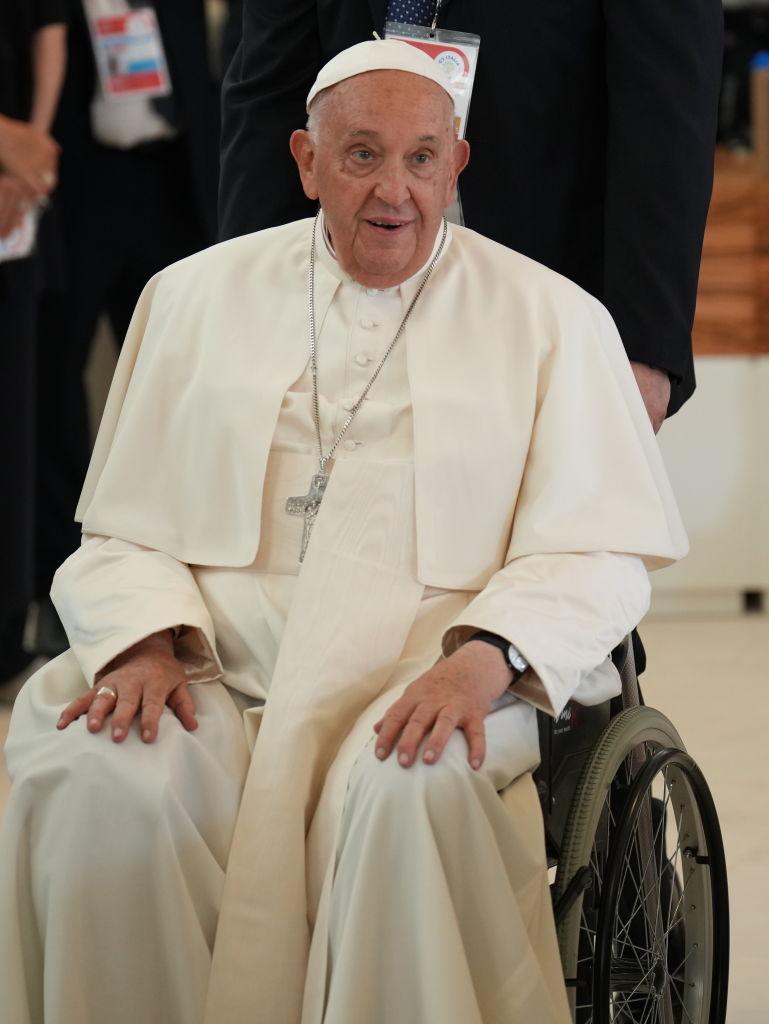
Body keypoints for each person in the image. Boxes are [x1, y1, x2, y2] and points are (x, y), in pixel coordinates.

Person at [0, 41, 687, 1024]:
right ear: (306, 161)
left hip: (421, 666)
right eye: (361, 155)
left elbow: (599, 549)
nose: (392, 190)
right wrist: (143, 641)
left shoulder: (553, 318)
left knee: (406, 789)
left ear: (455, 165)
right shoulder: (191, 296)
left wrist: (483, 661)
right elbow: (121, 528)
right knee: (106, 777)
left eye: (420, 158)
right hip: (212, 662)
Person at [219, 0, 724, 432]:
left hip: (546, 292)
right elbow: (270, 93)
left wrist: (642, 352)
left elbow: (667, 114)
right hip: (346, 296)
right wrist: (248, 309)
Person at [31, 0, 221, 657]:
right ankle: (61, 585)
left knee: (180, 390)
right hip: (78, 190)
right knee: (55, 390)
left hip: (171, 186)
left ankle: (182, 579)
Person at [0, 1, 66, 684]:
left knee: (14, 429)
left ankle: (7, 638)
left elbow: (48, 28)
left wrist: (27, 167)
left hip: (15, 211)